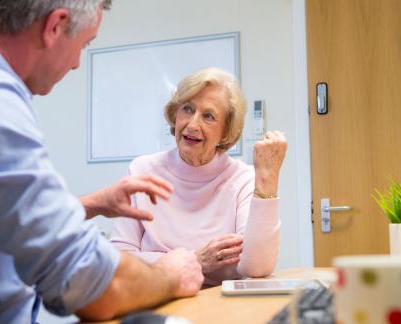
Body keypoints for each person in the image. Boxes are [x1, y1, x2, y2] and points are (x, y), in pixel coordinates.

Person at [0, 0, 204, 322]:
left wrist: (90, 204)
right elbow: (92, 286)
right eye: (84, 44)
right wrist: (170, 276)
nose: (77, 63)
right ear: (55, 26)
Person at [111, 67, 287, 286]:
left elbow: (257, 267)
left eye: (208, 116)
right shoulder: (142, 170)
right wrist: (195, 260)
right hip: (155, 297)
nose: (193, 125)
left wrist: (267, 180)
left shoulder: (242, 179)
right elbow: (120, 257)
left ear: (226, 132)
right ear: (175, 114)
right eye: (187, 109)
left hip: (218, 306)